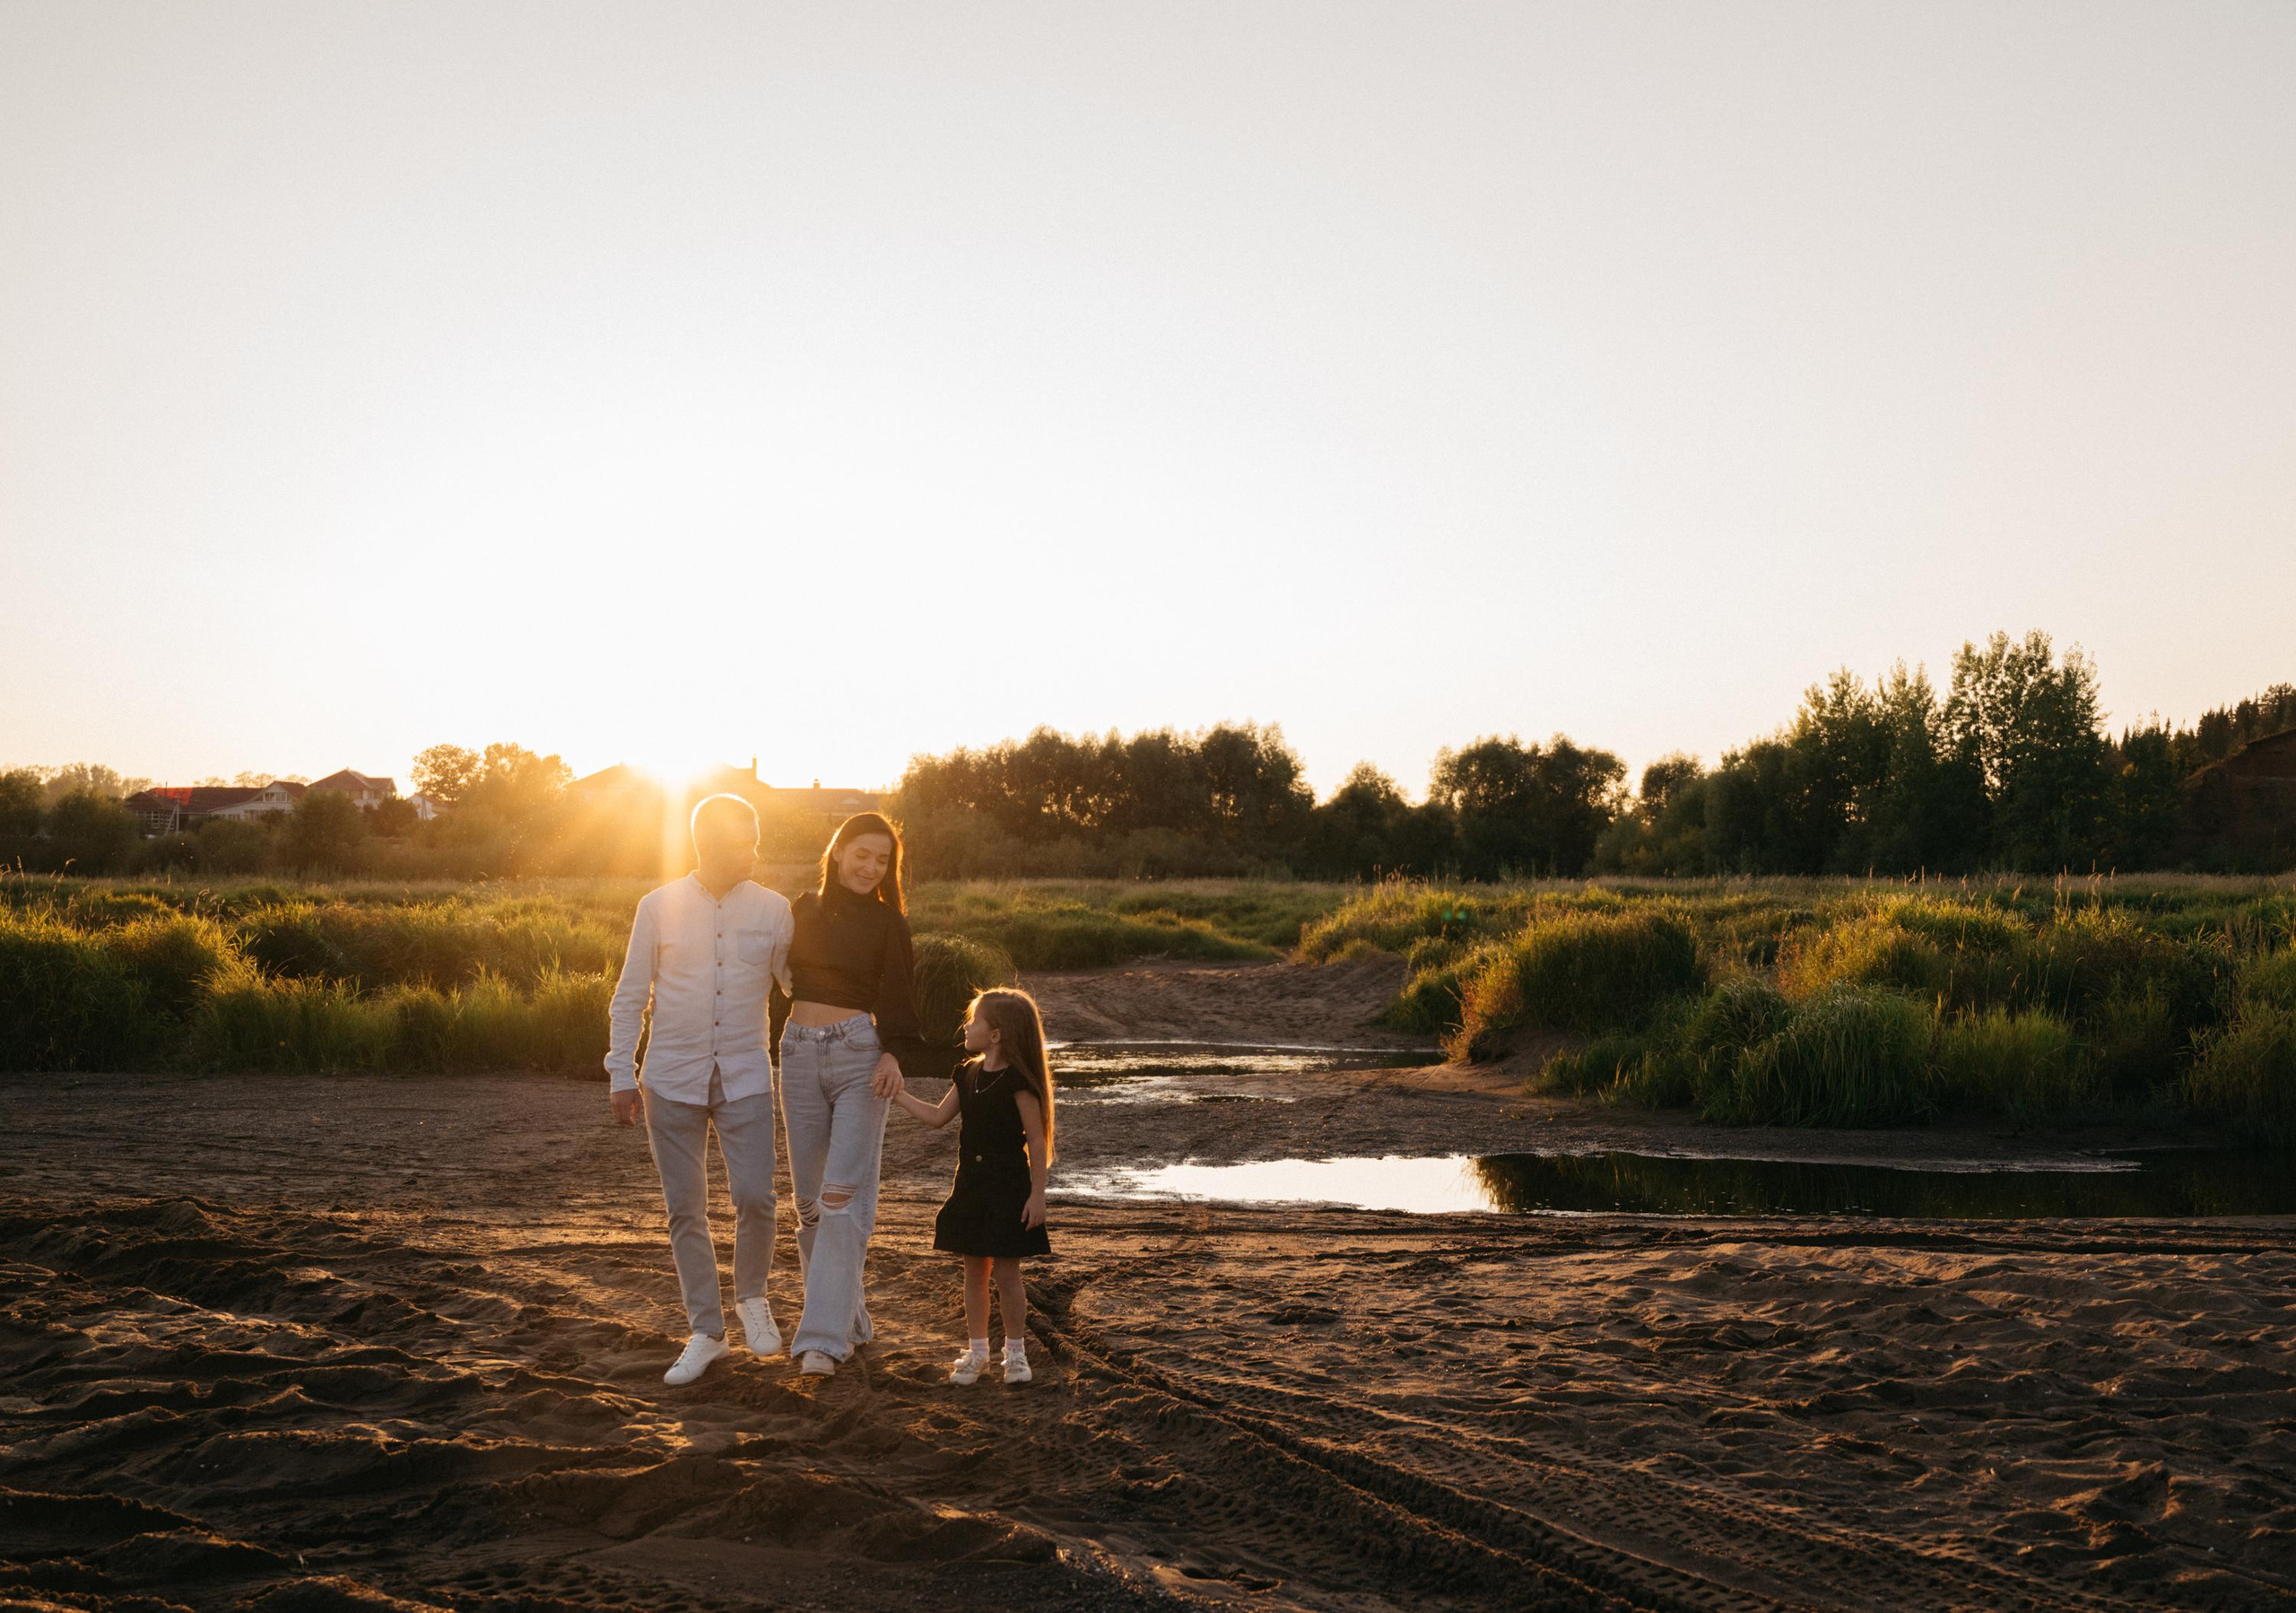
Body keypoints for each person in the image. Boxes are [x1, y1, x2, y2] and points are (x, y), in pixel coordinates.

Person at [605, 794, 793, 1388]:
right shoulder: (657, 907)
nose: (756, 851)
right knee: (685, 1210)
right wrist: (620, 1074)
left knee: (757, 1198)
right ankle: (707, 1332)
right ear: (711, 843)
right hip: (670, 1079)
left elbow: (802, 987)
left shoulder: (776, 910)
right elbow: (631, 995)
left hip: (745, 1077)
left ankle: (752, 1299)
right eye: (747, 840)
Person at [774, 812, 930, 1377]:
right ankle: (852, 1319)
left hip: (861, 1058)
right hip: (796, 1054)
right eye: (861, 854)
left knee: (840, 1200)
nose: (870, 867)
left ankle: (821, 1340)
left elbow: (902, 1000)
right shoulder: (801, 909)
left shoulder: (890, 924)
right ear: (837, 852)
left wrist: (895, 1053)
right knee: (811, 1206)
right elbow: (773, 980)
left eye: (882, 860)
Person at [891, 987, 1054, 1387]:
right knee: (973, 1272)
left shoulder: (1018, 1081)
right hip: (971, 1186)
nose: (967, 1026)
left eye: (974, 1020)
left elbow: (1036, 1140)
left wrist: (1037, 1195)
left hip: (1008, 1188)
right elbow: (936, 1117)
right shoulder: (967, 1074)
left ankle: (1014, 1354)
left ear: (995, 1034)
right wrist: (897, 1095)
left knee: (1007, 1273)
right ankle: (978, 1351)